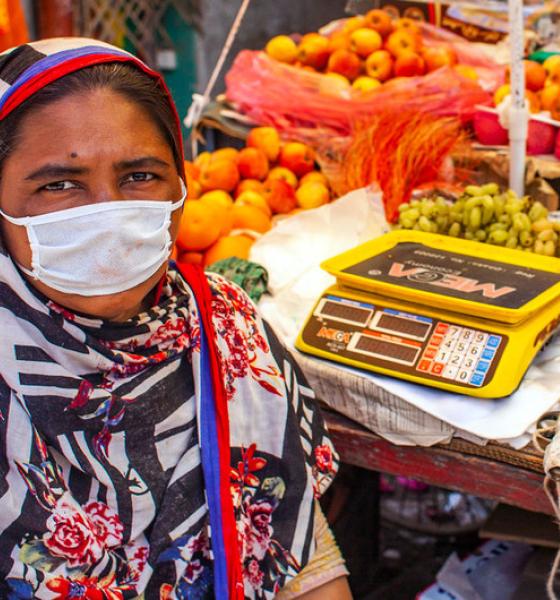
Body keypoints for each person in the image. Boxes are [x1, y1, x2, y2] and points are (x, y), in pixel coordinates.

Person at [0, 38, 351, 599]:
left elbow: (301, 556)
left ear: (181, 188)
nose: (106, 212)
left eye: (139, 177)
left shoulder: (229, 328)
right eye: (58, 184)